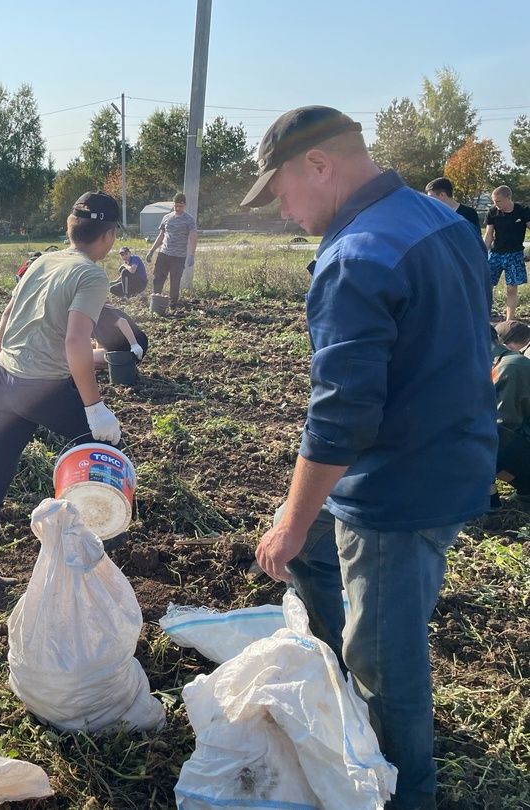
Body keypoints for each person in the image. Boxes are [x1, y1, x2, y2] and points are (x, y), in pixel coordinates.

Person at [242, 105, 496, 810]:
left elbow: (341, 415)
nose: (283, 211)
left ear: (319, 165)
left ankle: (402, 789)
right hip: (455, 449)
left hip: (396, 488)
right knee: (308, 554)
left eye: (281, 193)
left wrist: (294, 521)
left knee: (386, 658)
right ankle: (336, 689)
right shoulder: (443, 221)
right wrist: (298, 528)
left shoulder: (357, 254)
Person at [0, 191, 122, 589]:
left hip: (4, 380)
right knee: (103, 462)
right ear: (109, 235)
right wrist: (95, 406)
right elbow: (75, 342)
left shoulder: (43, 260)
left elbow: (7, 312)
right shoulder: (91, 274)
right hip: (42, 387)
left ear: (71, 228)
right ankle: (96, 565)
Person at [490, 326, 530, 508]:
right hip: (521, 450)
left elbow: (505, 424)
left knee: (481, 434)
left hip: (520, 450)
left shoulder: (509, 366)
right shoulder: (501, 363)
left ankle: (488, 502)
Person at [484, 185, 530, 322]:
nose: (495, 204)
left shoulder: (523, 211)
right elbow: (488, 236)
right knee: (486, 285)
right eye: (493, 201)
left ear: (508, 198)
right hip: (496, 254)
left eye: (498, 201)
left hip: (514, 254)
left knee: (511, 288)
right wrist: (482, 254)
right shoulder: (492, 212)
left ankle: (508, 321)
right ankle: (484, 316)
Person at [145, 192, 197, 307]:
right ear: (173, 205)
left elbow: (193, 237)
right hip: (164, 253)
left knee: (175, 280)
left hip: (179, 256)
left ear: (185, 206)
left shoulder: (189, 219)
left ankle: (173, 304)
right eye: (176, 206)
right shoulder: (166, 218)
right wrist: (152, 250)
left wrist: (191, 255)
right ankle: (156, 301)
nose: (178, 208)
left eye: (181, 206)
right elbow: (161, 235)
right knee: (158, 278)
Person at [92, 303, 147, 369]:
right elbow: (98, 337)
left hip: (130, 349)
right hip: (117, 351)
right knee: (93, 363)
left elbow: (122, 322)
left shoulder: (102, 311)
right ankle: (119, 369)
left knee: (83, 356)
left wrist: (134, 344)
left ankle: (120, 366)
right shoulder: (91, 317)